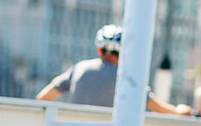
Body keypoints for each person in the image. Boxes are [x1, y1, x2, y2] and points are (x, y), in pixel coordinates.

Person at [35, 24, 187, 114]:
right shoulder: (128, 78)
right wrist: (182, 112)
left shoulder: (79, 69)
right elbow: (159, 109)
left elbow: (42, 98)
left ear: (99, 50)